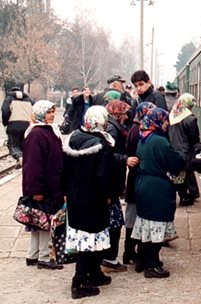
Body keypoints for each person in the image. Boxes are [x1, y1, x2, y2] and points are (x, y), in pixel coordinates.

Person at [61, 106, 116, 299]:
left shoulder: (73, 139)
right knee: (90, 239)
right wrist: (109, 194)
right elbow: (104, 175)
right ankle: (79, 282)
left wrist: (65, 191)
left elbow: (63, 170)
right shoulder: (102, 146)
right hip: (94, 199)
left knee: (85, 237)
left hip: (76, 197)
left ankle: (94, 273)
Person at [132, 107, 185, 278]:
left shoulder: (143, 138)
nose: (167, 124)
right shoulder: (159, 141)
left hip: (142, 184)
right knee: (157, 225)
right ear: (157, 121)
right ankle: (152, 265)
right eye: (164, 121)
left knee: (146, 225)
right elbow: (175, 162)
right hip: (157, 188)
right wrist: (182, 158)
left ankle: (142, 260)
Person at [22, 100, 64, 270]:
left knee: (37, 222)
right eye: (49, 112)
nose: (52, 115)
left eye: (53, 112)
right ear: (40, 114)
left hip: (49, 184)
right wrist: (36, 189)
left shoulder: (44, 132)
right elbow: (33, 165)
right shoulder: (37, 134)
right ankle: (44, 257)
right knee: (44, 221)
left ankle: (32, 255)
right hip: (44, 186)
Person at [102, 99, 138, 272]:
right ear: (116, 112)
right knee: (114, 224)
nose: (126, 116)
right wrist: (125, 159)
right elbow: (107, 155)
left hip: (113, 183)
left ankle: (109, 258)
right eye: (123, 113)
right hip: (110, 183)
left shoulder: (113, 125)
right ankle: (109, 259)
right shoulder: (111, 128)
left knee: (114, 223)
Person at [123, 102, 156, 266]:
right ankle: (129, 251)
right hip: (139, 178)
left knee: (132, 217)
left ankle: (129, 251)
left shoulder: (134, 128)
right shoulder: (140, 131)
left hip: (134, 178)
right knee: (134, 217)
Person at [168, 93, 200, 206]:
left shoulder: (173, 114)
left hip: (174, 148)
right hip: (185, 149)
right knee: (186, 172)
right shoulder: (189, 119)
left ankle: (190, 193)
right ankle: (186, 196)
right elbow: (194, 137)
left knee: (181, 173)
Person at [2, 86, 34, 161]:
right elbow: (35, 110)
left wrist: (5, 123)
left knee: (13, 145)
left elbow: (5, 111)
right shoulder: (29, 99)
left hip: (13, 126)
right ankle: (24, 159)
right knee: (24, 145)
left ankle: (20, 158)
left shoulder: (9, 99)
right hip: (28, 126)